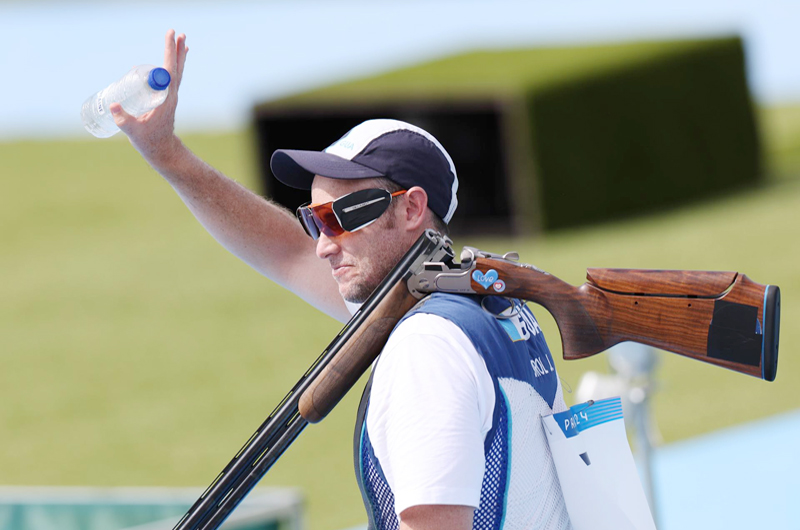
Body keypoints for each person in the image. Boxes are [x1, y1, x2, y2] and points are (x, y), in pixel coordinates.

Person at [111, 30, 573, 530]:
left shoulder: (427, 344)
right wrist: (167, 154)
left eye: (344, 216)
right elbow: (285, 250)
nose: (322, 244)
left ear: (413, 207)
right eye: (314, 220)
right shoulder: (482, 306)